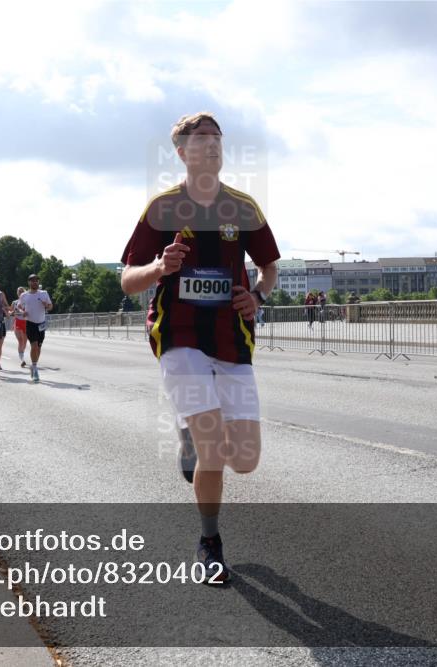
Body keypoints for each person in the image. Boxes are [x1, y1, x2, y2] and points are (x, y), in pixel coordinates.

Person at [119, 111, 280, 584]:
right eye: (202, 139)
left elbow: (269, 267)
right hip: (180, 336)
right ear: (182, 152)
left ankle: (188, 432)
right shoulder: (161, 209)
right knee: (213, 455)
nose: (212, 146)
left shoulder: (243, 208)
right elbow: (128, 281)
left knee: (245, 460)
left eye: (217, 139)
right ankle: (210, 544)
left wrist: (259, 296)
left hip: (232, 339)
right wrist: (158, 270)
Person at [18, 274, 53, 382]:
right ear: (29, 282)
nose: (35, 282)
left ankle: (34, 366)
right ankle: (35, 369)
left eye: (36, 281)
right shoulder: (24, 295)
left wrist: (47, 305)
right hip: (30, 323)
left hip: (41, 324)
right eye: (32, 281)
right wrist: (22, 312)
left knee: (38, 347)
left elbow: (51, 307)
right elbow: (19, 306)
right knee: (33, 346)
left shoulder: (44, 293)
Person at [11, 286, 28, 367]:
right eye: (19, 291)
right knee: (20, 341)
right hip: (18, 322)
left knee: (24, 342)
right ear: (17, 293)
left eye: (22, 291)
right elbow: (11, 311)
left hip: (26, 322)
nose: (20, 292)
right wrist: (10, 312)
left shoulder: (28, 301)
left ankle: (22, 354)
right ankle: (22, 360)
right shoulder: (14, 302)